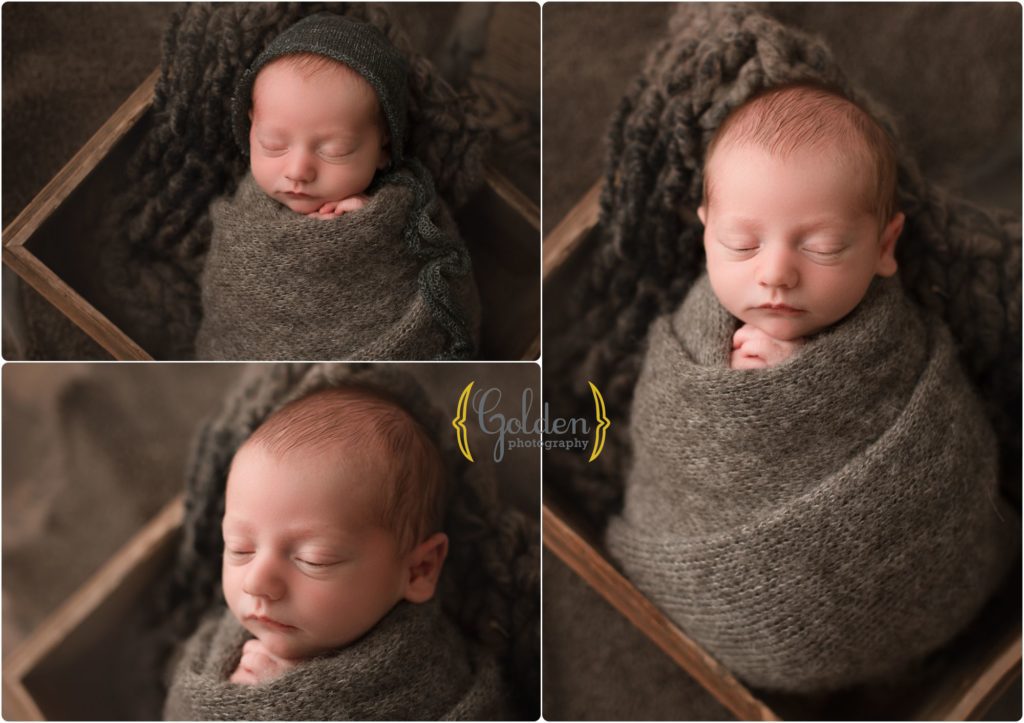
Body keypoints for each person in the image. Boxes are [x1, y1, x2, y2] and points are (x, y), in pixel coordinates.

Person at [164, 384, 509, 719]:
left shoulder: (428, 677)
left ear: (420, 570)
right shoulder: (218, 642)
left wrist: (279, 709)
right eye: (240, 549)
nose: (255, 582)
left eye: (313, 559)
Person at [194, 12, 479, 361]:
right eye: (273, 144)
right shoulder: (247, 207)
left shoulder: (407, 207)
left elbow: (447, 282)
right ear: (251, 126)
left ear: (383, 147)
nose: (298, 171)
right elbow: (228, 296)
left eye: (335, 151)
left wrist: (368, 230)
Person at [696, 82, 904, 368]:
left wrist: (798, 378)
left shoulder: (901, 345)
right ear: (706, 236)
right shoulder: (688, 332)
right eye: (741, 244)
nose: (776, 275)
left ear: (884, 247)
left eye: (823, 248)